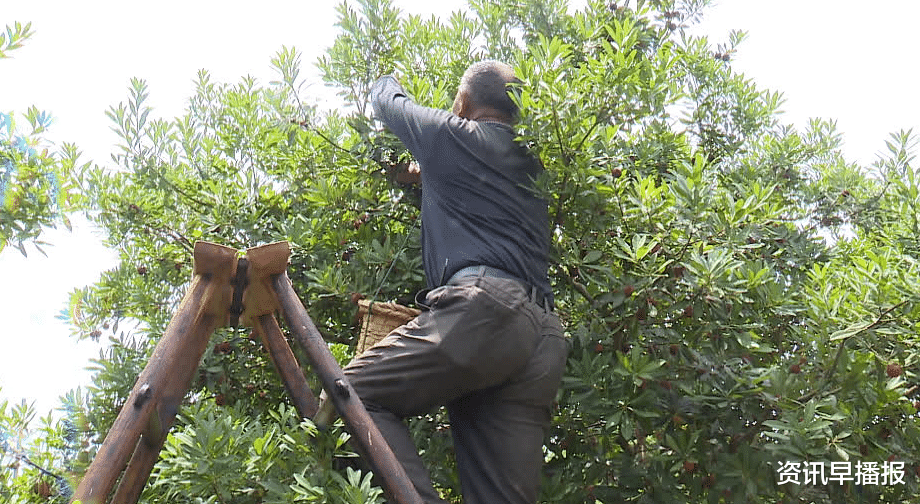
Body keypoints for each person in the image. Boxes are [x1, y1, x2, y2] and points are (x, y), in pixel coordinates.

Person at [343, 60, 568, 504]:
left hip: (485, 313)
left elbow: (387, 104)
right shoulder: (533, 164)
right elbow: (476, 197)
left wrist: (387, 76)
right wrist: (424, 176)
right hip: (542, 339)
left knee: (350, 396)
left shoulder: (452, 134)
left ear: (463, 102)